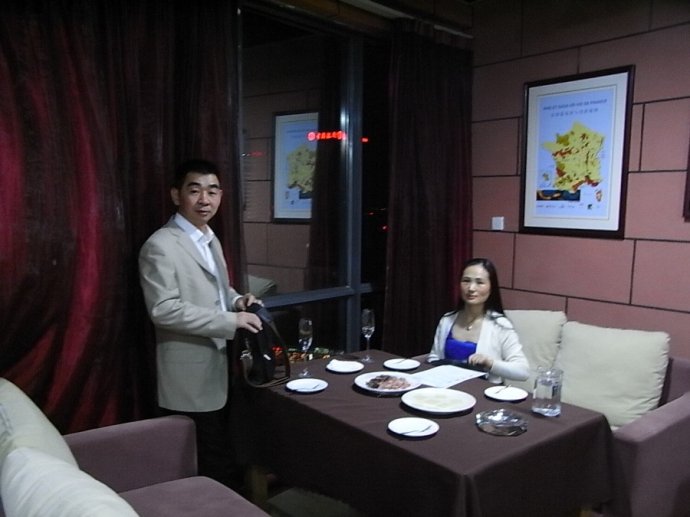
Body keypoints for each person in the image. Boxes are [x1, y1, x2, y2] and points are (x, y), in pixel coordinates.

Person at [138, 159, 262, 489]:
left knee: (222, 455)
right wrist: (231, 319)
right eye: (195, 190)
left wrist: (237, 300)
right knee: (203, 463)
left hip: (219, 368)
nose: (205, 199)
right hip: (188, 378)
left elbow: (219, 290)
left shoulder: (209, 238)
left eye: (212, 191)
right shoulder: (160, 245)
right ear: (176, 195)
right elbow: (163, 310)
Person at [428, 257, 529, 383]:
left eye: (479, 282)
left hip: (481, 392)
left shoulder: (500, 325)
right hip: (445, 391)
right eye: (466, 281)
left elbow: (523, 372)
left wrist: (490, 363)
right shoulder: (447, 320)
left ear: (491, 288)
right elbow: (434, 358)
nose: (471, 288)